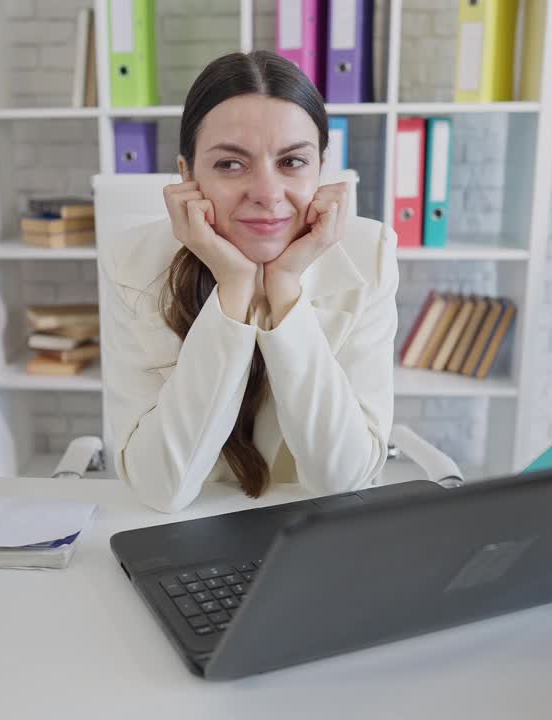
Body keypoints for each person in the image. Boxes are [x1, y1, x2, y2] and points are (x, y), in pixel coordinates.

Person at [99, 50, 398, 513]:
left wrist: (285, 287)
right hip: (190, 533)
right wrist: (234, 286)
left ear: (320, 167)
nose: (266, 193)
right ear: (186, 174)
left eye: (292, 162)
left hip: (313, 534)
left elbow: (340, 480)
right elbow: (162, 489)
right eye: (231, 165)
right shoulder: (131, 264)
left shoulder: (369, 255)